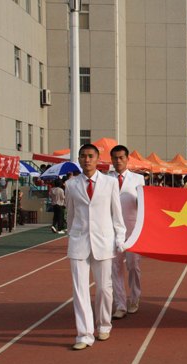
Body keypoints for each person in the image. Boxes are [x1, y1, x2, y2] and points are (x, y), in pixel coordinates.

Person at [65, 144, 126, 350]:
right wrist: (72, 234)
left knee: (104, 288)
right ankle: (84, 334)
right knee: (80, 290)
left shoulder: (110, 183)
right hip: (79, 242)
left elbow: (117, 215)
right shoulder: (71, 185)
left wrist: (119, 238)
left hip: (104, 242)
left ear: (98, 158)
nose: (87, 159)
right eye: (83, 156)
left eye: (91, 156)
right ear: (79, 159)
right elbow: (70, 215)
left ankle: (104, 324)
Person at [109, 145, 146, 319]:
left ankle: (134, 298)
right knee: (114, 267)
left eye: (121, 158)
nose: (118, 161)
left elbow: (144, 205)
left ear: (127, 159)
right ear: (111, 160)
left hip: (132, 229)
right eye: (115, 158)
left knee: (133, 266)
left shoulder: (138, 179)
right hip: (112, 230)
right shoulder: (106, 179)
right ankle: (120, 304)